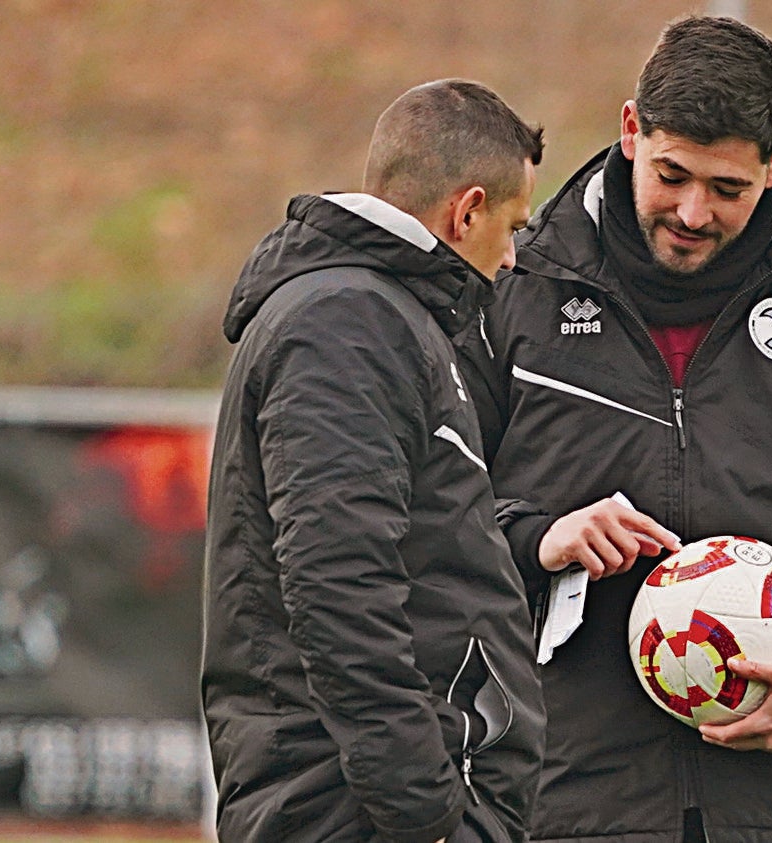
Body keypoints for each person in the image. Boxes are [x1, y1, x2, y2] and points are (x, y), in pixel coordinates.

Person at [462, 16, 772, 842]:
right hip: (567, 795)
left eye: (727, 189)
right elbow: (436, 503)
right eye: (672, 175)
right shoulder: (519, 282)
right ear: (631, 130)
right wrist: (539, 536)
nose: (692, 212)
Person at [201, 79, 552, 843]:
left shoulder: (381, 317)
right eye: (512, 225)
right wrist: (425, 812)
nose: (513, 255)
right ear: (466, 211)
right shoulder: (349, 323)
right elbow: (337, 583)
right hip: (354, 810)